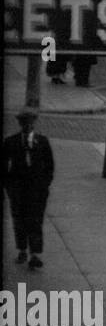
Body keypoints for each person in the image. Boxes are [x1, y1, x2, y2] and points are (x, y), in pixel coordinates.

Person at [3, 108, 55, 270]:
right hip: (18, 188)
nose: (28, 126)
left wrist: (44, 184)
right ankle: (22, 249)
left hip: (37, 189)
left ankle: (35, 253)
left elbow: (49, 165)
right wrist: (9, 186)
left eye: (31, 123)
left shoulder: (42, 142)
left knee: (35, 219)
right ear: (20, 124)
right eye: (25, 123)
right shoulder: (11, 142)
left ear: (34, 124)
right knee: (19, 219)